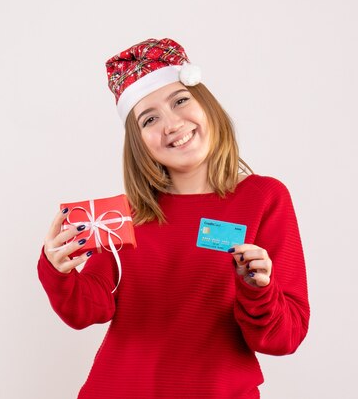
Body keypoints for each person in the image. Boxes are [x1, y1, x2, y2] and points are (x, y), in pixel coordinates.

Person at [37, 38, 310, 398]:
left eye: (180, 100)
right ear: (137, 142)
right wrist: (59, 271)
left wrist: (257, 290)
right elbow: (91, 308)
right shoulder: (122, 215)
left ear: (206, 103)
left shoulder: (264, 198)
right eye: (149, 118)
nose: (171, 124)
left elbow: (283, 337)